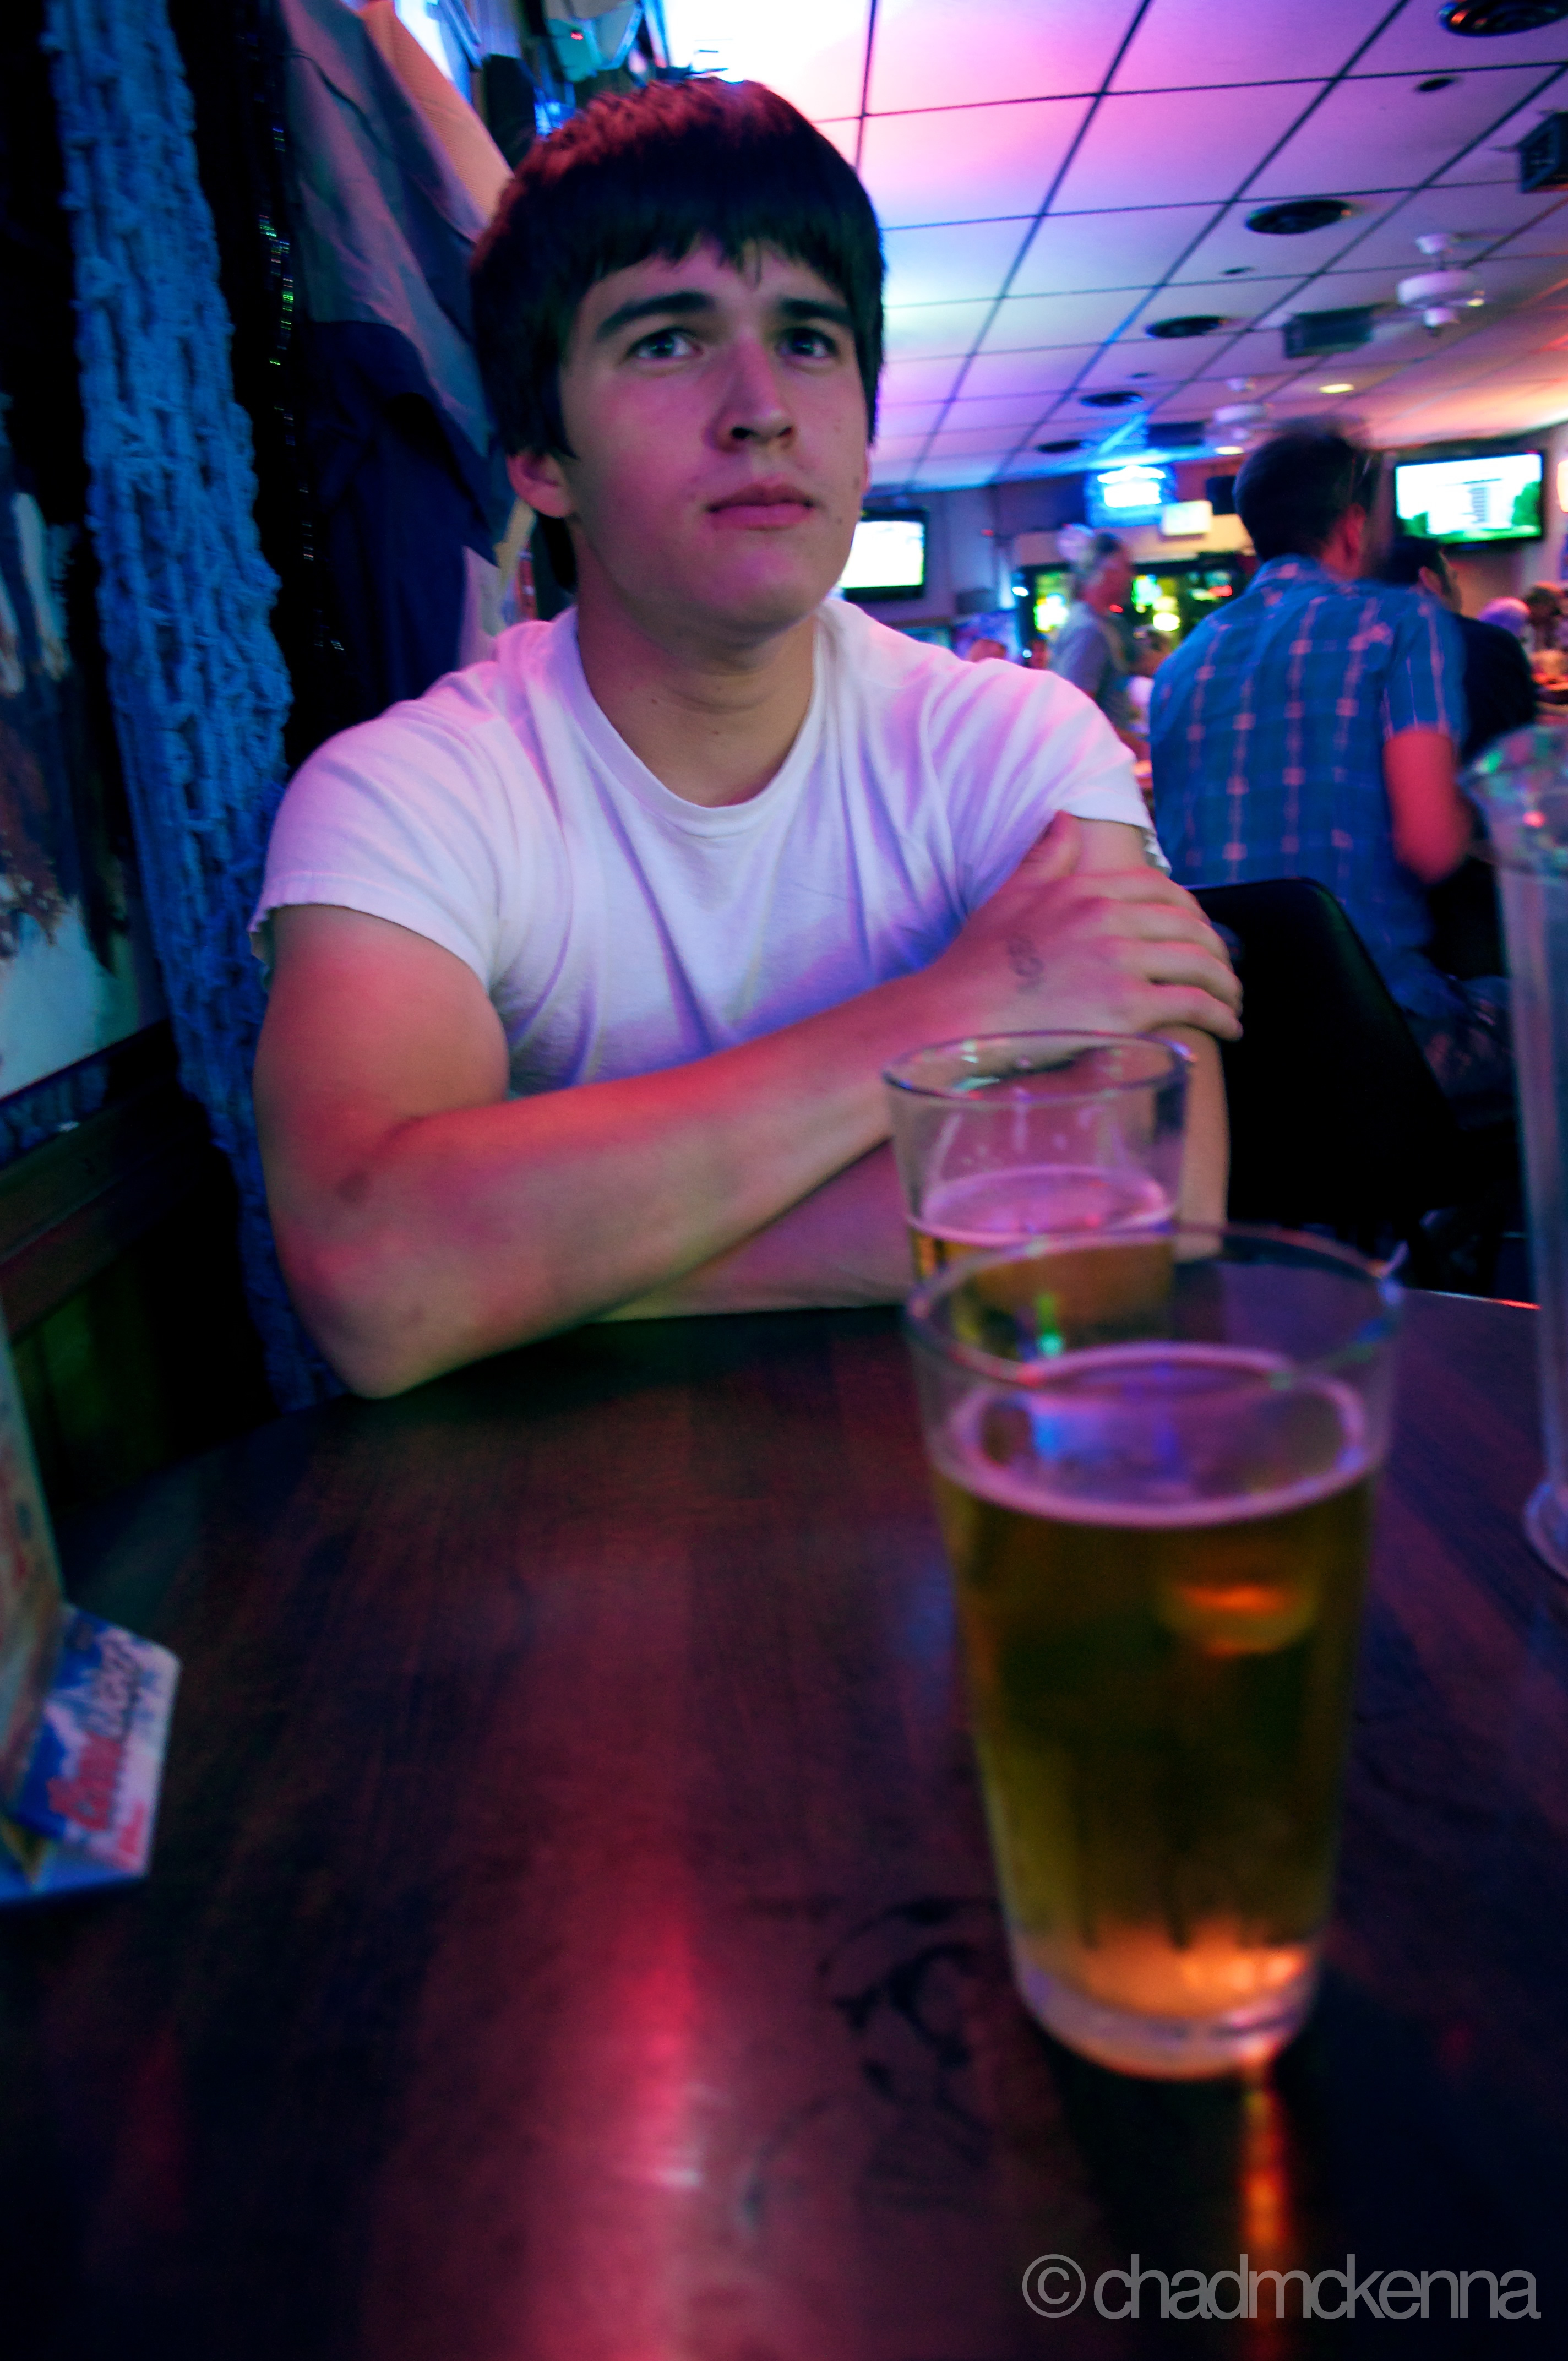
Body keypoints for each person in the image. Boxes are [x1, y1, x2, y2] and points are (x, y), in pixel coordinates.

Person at [251, 80, 1239, 1398]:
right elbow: (378, 1276)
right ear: (539, 457)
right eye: (666, 341)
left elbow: (1139, 1196)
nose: (761, 404)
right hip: (561, 1547)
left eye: (811, 338)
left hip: (974, 1486)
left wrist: (534, 1274)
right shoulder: (404, 795)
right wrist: (975, 1000)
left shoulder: (1011, 740)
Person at [1150, 427, 1508, 1120]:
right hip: (1386, 1044)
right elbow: (1431, 846)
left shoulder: (1180, 665)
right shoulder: (1403, 622)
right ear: (1352, 529)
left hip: (1236, 1062)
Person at [1374, 535, 1536, 763]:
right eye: (1453, 577)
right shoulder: (1491, 644)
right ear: (1429, 580)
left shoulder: (1366, 651)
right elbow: (1521, 743)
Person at [1046, 530, 1145, 758]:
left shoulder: (1110, 624)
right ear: (1107, 572)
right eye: (1127, 567)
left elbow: (1146, 663)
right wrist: (1138, 748)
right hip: (1096, 769)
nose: (1132, 576)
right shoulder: (1088, 631)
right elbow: (1076, 715)